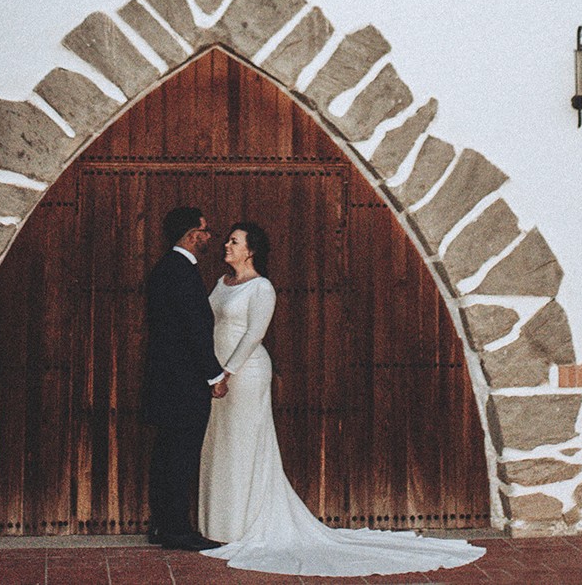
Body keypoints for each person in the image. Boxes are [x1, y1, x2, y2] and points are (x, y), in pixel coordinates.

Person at [198, 221, 487, 576]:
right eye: (228, 241)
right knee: (221, 443)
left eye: (234, 241)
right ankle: (219, 525)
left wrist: (227, 372)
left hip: (245, 373)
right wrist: (210, 370)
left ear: (251, 250)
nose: (226, 246)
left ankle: (242, 526)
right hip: (216, 373)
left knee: (243, 443)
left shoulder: (262, 288)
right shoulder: (221, 283)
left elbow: (254, 335)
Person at [143, 205, 227, 551]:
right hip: (184, 385)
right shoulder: (183, 272)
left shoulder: (165, 268)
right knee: (181, 457)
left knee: (165, 454)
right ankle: (177, 530)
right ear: (193, 236)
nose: (209, 237)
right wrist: (214, 375)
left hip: (165, 381)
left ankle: (162, 525)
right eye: (205, 231)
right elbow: (194, 331)